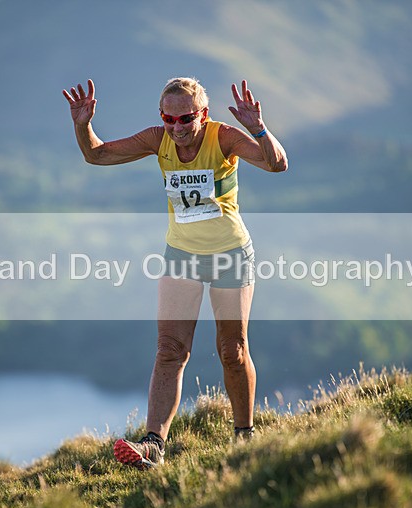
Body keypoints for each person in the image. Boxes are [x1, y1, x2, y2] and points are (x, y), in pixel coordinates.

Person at [62, 77, 288, 469]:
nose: (177, 129)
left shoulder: (225, 138)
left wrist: (259, 129)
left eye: (186, 119)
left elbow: (276, 164)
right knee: (169, 350)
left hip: (229, 254)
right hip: (181, 254)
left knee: (231, 351)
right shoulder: (158, 138)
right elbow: (96, 155)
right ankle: (154, 445)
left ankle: (244, 437)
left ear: (203, 114)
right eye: (169, 119)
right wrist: (82, 125)